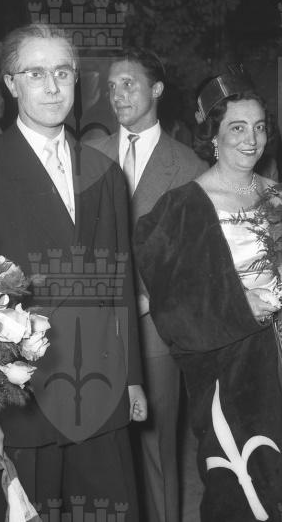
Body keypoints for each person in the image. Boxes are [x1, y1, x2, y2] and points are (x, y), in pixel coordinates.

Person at [0, 23, 146, 521]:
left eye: (62, 73)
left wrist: (133, 378)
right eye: (35, 73)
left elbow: (119, 281)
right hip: (19, 407)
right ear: (11, 83)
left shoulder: (104, 172)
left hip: (100, 392)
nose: (52, 87)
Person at [134, 71, 282, 521]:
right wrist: (237, 305)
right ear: (213, 135)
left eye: (260, 127)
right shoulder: (184, 206)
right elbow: (171, 303)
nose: (252, 139)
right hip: (227, 363)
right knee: (241, 477)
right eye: (238, 128)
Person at [94, 47, 207, 522]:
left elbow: (198, 258)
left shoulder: (190, 166)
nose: (118, 95)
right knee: (102, 447)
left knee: (157, 446)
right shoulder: (87, 156)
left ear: (156, 89)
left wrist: (149, 298)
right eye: (112, 86)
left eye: (129, 84)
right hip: (95, 327)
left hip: (155, 328)